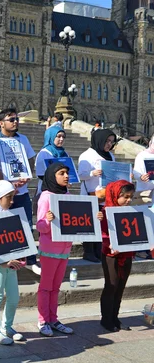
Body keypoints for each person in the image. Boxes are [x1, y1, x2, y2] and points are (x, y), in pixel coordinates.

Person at [0, 108, 39, 273]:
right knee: (3, 227)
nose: (15, 122)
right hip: (3, 193)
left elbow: (30, 158)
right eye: (11, 119)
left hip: (21, 190)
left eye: (16, 119)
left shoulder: (23, 139)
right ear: (1, 123)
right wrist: (6, 184)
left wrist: (27, 175)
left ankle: (29, 259)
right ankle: (4, 259)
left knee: (26, 224)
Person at [99, 180, 147, 332]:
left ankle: (115, 316)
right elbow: (103, 235)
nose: (128, 200)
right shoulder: (104, 212)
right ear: (115, 195)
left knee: (120, 287)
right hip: (111, 255)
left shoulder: (130, 210)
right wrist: (112, 246)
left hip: (126, 254)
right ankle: (106, 319)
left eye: (131, 197)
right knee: (111, 286)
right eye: (125, 197)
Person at [35, 163, 76, 337]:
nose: (66, 176)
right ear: (53, 176)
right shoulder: (45, 197)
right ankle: (43, 320)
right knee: (46, 287)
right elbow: (40, 226)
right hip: (50, 248)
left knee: (56, 287)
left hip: (65, 248)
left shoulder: (67, 195)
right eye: (62, 173)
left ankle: (53, 319)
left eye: (67, 172)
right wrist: (48, 220)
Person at [0, 181, 26, 345]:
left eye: (13, 196)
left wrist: (20, 256)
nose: (12, 201)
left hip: (12, 266)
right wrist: (2, 261)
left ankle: (6, 327)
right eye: (9, 197)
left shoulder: (10, 215)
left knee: (14, 297)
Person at [78, 129, 117, 263]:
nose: (109, 144)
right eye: (107, 141)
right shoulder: (87, 155)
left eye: (112, 142)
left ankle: (98, 251)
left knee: (101, 224)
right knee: (90, 224)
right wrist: (92, 173)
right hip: (90, 193)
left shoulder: (110, 156)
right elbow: (80, 175)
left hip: (105, 194)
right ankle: (88, 252)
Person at [35, 126, 68, 196]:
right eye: (58, 136)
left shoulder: (64, 153)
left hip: (62, 190)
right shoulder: (44, 153)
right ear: (51, 137)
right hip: (47, 191)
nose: (61, 139)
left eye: (63, 137)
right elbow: (40, 174)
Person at [132, 136, 154, 206]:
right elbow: (136, 172)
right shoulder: (141, 155)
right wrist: (141, 177)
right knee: (145, 214)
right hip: (144, 191)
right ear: (150, 143)